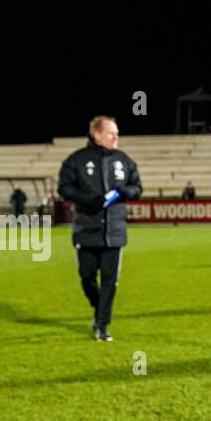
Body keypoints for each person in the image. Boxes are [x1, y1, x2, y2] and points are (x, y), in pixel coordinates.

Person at [58, 116, 143, 341]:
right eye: (111, 133)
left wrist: (126, 192)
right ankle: (100, 308)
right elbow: (64, 188)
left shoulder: (124, 160)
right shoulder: (76, 160)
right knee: (86, 278)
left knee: (109, 281)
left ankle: (102, 324)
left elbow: (137, 187)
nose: (116, 137)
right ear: (97, 134)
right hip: (86, 230)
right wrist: (89, 199)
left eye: (116, 133)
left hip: (114, 233)